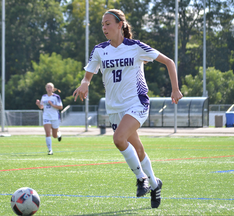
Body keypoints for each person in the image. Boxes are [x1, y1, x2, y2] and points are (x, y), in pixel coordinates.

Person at [73, 9, 183, 208]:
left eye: (108, 23)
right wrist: (84, 83)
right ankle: (155, 183)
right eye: (102, 25)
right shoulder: (99, 50)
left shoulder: (135, 47)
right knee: (138, 148)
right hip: (114, 108)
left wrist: (175, 89)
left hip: (137, 103)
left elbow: (169, 62)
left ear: (120, 25)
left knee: (118, 139)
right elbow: (88, 74)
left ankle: (142, 178)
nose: (104, 28)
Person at [36, 82, 63, 155]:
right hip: (46, 117)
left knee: (54, 136)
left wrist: (52, 104)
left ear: (53, 89)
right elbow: (41, 107)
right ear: (46, 89)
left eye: (50, 87)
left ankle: (58, 134)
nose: (49, 89)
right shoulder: (44, 97)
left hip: (55, 117)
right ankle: (50, 150)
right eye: (48, 87)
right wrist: (38, 104)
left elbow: (60, 107)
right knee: (48, 133)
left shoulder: (56, 97)